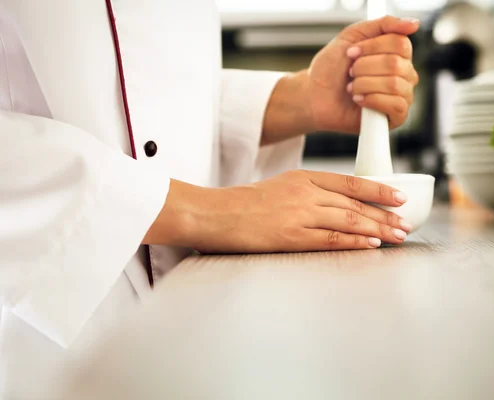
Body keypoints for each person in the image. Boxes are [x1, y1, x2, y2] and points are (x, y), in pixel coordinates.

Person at [0, 1, 419, 398]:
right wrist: (218, 211)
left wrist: (298, 100)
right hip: (43, 342)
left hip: (191, 333)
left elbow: (143, 97)